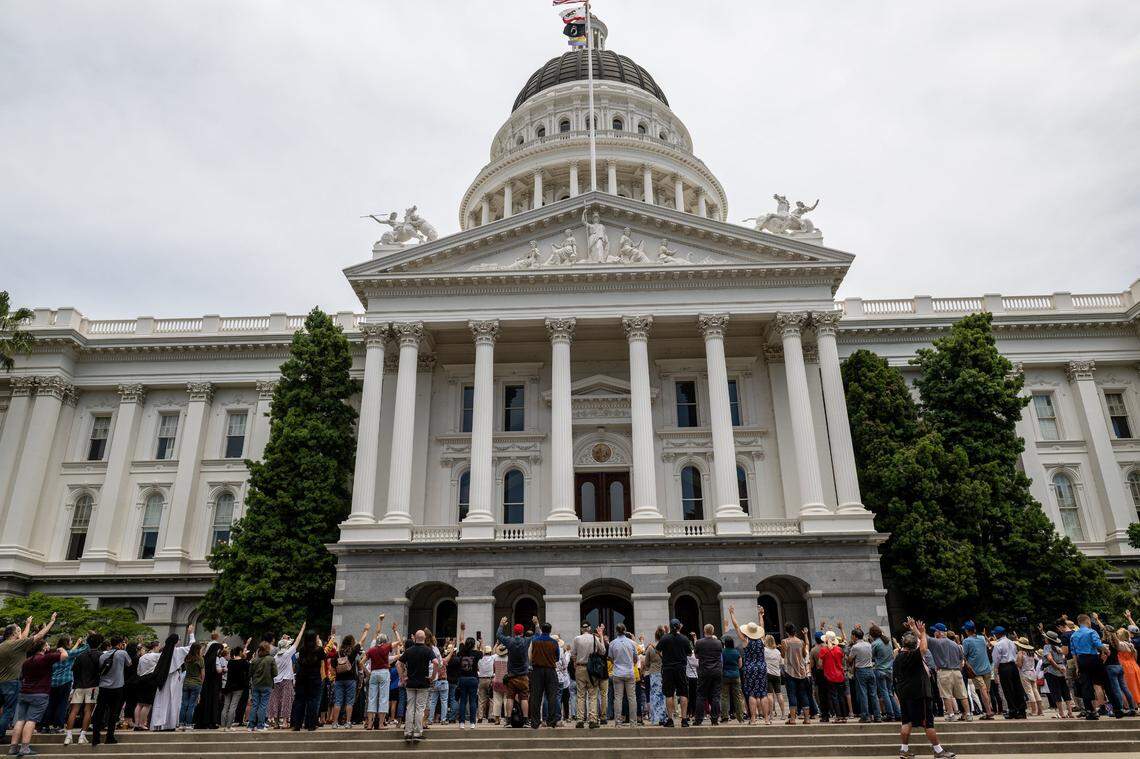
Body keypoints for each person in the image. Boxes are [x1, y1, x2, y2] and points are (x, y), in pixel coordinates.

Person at [894, 618, 955, 759]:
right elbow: (924, 648)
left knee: (906, 722)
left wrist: (916, 630)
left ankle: (904, 750)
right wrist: (922, 631)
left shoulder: (898, 657)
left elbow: (921, 645)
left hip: (905, 694)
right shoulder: (913, 656)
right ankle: (938, 750)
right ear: (914, 645)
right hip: (920, 694)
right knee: (928, 723)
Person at [9, 621, 65, 758]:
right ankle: (25, 748)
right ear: (43, 648)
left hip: (25, 692)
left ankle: (13, 747)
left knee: (20, 720)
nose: (48, 646)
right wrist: (61, 649)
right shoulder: (45, 659)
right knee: (31, 720)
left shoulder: (27, 661)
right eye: (46, 645)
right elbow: (65, 656)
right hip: (39, 693)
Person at [0, 614, 57, 746]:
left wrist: (28, 624)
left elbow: (24, 637)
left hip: (1, 682)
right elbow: (38, 637)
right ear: (15, 633)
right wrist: (51, 622)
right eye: (19, 630)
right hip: (12, 682)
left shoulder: (4, 645)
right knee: (8, 711)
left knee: (3, 710)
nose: (21, 633)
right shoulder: (16, 645)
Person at [1070, 614, 1121, 720]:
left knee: (1086, 686)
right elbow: (1098, 644)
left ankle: (1090, 711)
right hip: (1093, 658)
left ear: (1079, 623)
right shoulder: (1091, 632)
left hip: (1081, 660)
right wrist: (1106, 651)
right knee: (1106, 684)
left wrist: (1077, 666)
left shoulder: (1073, 636)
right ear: (1088, 621)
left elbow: (1073, 652)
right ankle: (1116, 709)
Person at [728, 605, 768, 725]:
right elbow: (762, 626)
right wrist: (760, 615)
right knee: (763, 693)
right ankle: (766, 719)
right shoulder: (762, 639)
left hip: (750, 668)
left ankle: (753, 719)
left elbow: (736, 626)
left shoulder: (746, 641)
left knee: (752, 694)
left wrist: (732, 614)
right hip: (761, 667)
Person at [90, 635, 130, 746]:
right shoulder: (123, 653)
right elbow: (129, 664)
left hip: (103, 687)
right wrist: (124, 649)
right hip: (117, 688)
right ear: (120, 644)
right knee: (113, 713)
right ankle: (110, 737)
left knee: (99, 712)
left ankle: (95, 737)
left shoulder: (103, 655)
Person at [63, 632, 100, 745]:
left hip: (79, 685)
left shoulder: (80, 656)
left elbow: (74, 671)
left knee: (74, 710)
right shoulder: (100, 655)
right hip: (93, 685)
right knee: (88, 710)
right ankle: (82, 735)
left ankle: (68, 736)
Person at [327, 623, 367, 728]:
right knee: (350, 701)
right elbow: (361, 642)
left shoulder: (338, 653)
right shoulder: (352, 652)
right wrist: (366, 630)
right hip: (351, 680)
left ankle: (335, 723)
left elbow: (332, 668)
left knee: (338, 701)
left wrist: (335, 676)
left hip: (339, 680)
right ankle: (348, 722)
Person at [926, 623, 968, 722]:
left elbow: (923, 636)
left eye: (935, 631)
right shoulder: (956, 644)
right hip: (957, 671)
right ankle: (968, 713)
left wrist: (917, 629)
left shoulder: (936, 642)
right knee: (962, 694)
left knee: (946, 695)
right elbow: (961, 660)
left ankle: (951, 714)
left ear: (939, 633)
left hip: (944, 671)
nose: (934, 633)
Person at [654, 619, 692, 728]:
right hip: (680, 668)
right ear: (679, 626)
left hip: (668, 668)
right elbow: (689, 654)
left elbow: (657, 650)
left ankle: (670, 719)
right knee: (684, 693)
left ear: (670, 627)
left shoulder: (665, 638)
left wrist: (664, 657)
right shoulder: (684, 639)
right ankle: (684, 719)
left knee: (669, 694)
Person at [496, 617, 534, 723]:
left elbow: (499, 635)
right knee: (524, 698)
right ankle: (526, 719)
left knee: (510, 697)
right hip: (523, 675)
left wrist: (501, 624)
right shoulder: (526, 641)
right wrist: (536, 624)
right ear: (522, 632)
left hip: (512, 675)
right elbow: (538, 635)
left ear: (514, 631)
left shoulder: (509, 641)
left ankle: (508, 719)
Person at [399, 630, 434, 743]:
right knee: (420, 708)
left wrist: (402, 677)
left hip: (410, 683)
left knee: (410, 708)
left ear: (415, 638)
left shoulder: (409, 651)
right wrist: (432, 676)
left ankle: (408, 732)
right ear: (424, 638)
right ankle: (418, 732)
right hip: (423, 683)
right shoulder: (428, 650)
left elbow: (398, 663)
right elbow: (436, 662)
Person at [269, 622, 305, 729]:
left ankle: (275, 722)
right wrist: (302, 629)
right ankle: (285, 722)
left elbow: (281, 645)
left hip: (276, 681)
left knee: (275, 700)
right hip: (287, 680)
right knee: (286, 700)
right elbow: (297, 641)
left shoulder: (275, 657)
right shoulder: (287, 654)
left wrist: (283, 639)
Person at [570, 623, 604, 728]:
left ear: (581, 629)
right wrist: (601, 636)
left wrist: (576, 662)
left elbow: (573, 654)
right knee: (593, 695)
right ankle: (592, 719)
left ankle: (580, 719)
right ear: (589, 628)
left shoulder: (576, 639)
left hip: (580, 667)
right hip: (592, 668)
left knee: (580, 695)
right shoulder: (594, 638)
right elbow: (603, 651)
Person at [290, 630, 325, 732]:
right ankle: (311, 724)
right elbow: (322, 661)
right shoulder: (319, 650)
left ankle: (297, 724)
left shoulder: (302, 649)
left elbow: (300, 662)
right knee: (313, 701)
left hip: (302, 677)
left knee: (300, 701)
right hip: (314, 677)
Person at [529, 620, 560, 728]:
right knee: (552, 696)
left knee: (536, 697)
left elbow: (530, 656)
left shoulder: (535, 641)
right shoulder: (554, 642)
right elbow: (557, 657)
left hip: (537, 670)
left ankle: (535, 721)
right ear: (550, 631)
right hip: (550, 670)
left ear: (542, 630)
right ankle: (552, 721)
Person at [960, 621, 995, 720]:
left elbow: (964, 655)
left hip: (975, 670)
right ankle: (989, 710)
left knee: (983, 690)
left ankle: (988, 711)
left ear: (967, 631)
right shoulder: (982, 638)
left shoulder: (966, 641)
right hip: (987, 668)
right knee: (986, 691)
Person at [691, 624, 723, 726]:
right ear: (713, 631)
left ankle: (699, 719)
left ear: (704, 631)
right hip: (716, 671)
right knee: (715, 696)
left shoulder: (699, 643)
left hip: (704, 671)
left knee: (701, 695)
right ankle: (714, 719)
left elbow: (696, 656)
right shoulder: (718, 643)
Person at [365, 619, 394, 729]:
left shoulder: (372, 647)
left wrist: (368, 672)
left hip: (373, 673)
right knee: (383, 698)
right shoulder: (386, 647)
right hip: (384, 672)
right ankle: (381, 723)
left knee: (371, 698)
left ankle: (370, 723)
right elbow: (397, 644)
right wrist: (395, 631)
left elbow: (361, 662)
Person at [782, 624, 814, 725]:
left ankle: (792, 719)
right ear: (795, 631)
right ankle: (807, 718)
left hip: (790, 671)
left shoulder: (785, 641)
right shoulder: (801, 642)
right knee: (803, 694)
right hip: (802, 672)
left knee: (792, 694)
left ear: (787, 632)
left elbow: (783, 655)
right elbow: (804, 655)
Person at [847, 627, 880, 723]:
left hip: (861, 671)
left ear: (854, 636)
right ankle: (877, 716)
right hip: (870, 669)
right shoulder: (869, 645)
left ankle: (866, 716)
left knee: (863, 694)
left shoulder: (855, 647)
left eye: (852, 636)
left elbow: (850, 659)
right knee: (873, 694)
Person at [607, 624, 638, 727]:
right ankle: (633, 722)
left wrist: (616, 662)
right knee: (632, 697)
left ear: (616, 631)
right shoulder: (632, 643)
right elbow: (635, 659)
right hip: (629, 671)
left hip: (617, 672)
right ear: (625, 630)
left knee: (618, 698)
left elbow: (610, 658)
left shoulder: (612, 643)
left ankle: (618, 722)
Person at [868, 624, 899, 723]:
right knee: (890, 693)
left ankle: (890, 714)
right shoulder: (888, 642)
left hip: (880, 669)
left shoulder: (875, 644)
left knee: (884, 693)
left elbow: (871, 656)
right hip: (889, 669)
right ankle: (898, 713)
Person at [1103, 628, 1137, 716]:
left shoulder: (1106, 643)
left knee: (1116, 689)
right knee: (1125, 688)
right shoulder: (1117, 643)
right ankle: (1132, 707)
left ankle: (1120, 708)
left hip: (1111, 667)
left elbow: (1105, 656)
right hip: (1119, 666)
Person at [193, 641, 224, 729]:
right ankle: (211, 722)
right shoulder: (216, 659)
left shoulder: (206, 658)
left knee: (205, 702)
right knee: (213, 703)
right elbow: (218, 670)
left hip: (205, 684)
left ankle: (202, 721)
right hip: (214, 685)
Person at [1041, 630, 1073, 718]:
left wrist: (1057, 667)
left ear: (1048, 639)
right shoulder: (1059, 647)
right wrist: (1061, 667)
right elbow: (1063, 657)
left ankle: (1061, 713)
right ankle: (1070, 712)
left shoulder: (1047, 647)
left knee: (1056, 691)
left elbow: (1050, 659)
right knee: (1065, 691)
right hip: (1061, 671)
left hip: (1051, 671)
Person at [247, 641, 277, 732]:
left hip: (256, 685)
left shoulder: (255, 660)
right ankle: (260, 725)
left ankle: (251, 725)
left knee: (255, 705)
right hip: (267, 685)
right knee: (263, 705)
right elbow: (275, 673)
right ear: (268, 649)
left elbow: (250, 673)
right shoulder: (271, 659)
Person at [820, 630, 848, 723]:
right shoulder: (839, 649)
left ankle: (838, 716)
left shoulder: (824, 650)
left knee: (834, 697)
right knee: (841, 696)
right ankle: (844, 716)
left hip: (830, 676)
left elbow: (820, 664)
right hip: (840, 675)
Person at [133, 640, 162, 730]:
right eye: (159, 646)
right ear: (155, 647)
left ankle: (137, 724)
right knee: (147, 704)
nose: (160, 648)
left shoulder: (142, 657)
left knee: (139, 704)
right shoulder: (157, 656)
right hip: (150, 679)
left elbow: (138, 670)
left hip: (140, 679)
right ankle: (142, 724)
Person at [221, 642, 250, 730]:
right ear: (241, 652)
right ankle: (229, 726)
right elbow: (248, 672)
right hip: (239, 687)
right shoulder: (244, 662)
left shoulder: (230, 662)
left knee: (226, 706)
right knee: (233, 706)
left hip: (228, 686)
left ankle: (223, 725)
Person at [454, 636, 481, 729]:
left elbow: (461, 643)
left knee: (463, 701)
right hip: (473, 679)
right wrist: (480, 643)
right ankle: (472, 722)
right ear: (474, 645)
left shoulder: (461, 653)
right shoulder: (476, 653)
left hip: (462, 679)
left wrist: (462, 631)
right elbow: (482, 652)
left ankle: (462, 722)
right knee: (473, 701)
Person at [1015, 637, 1044, 717]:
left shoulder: (1021, 653)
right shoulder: (1032, 652)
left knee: (1029, 692)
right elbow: (1037, 659)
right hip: (1033, 672)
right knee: (1035, 691)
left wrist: (1016, 663)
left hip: (1025, 673)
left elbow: (1020, 664)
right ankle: (1040, 711)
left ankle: (1034, 711)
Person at [720, 635, 745, 723]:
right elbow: (740, 665)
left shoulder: (722, 652)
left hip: (725, 676)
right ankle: (740, 718)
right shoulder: (736, 652)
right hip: (735, 676)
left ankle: (725, 717)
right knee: (737, 697)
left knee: (724, 697)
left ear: (725, 644)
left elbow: (721, 664)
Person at [1116, 627, 1140, 706]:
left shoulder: (1121, 645)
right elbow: (1135, 657)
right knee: (1136, 686)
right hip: (1134, 666)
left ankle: (1131, 705)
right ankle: (1136, 704)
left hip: (1125, 667)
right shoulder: (1131, 644)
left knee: (1127, 687)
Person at [476, 644, 495, 724]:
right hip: (490, 679)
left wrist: (479, 646)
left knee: (481, 699)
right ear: (490, 652)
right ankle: (490, 717)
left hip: (481, 679)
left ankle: (480, 717)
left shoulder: (479, 659)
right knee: (491, 699)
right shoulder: (492, 658)